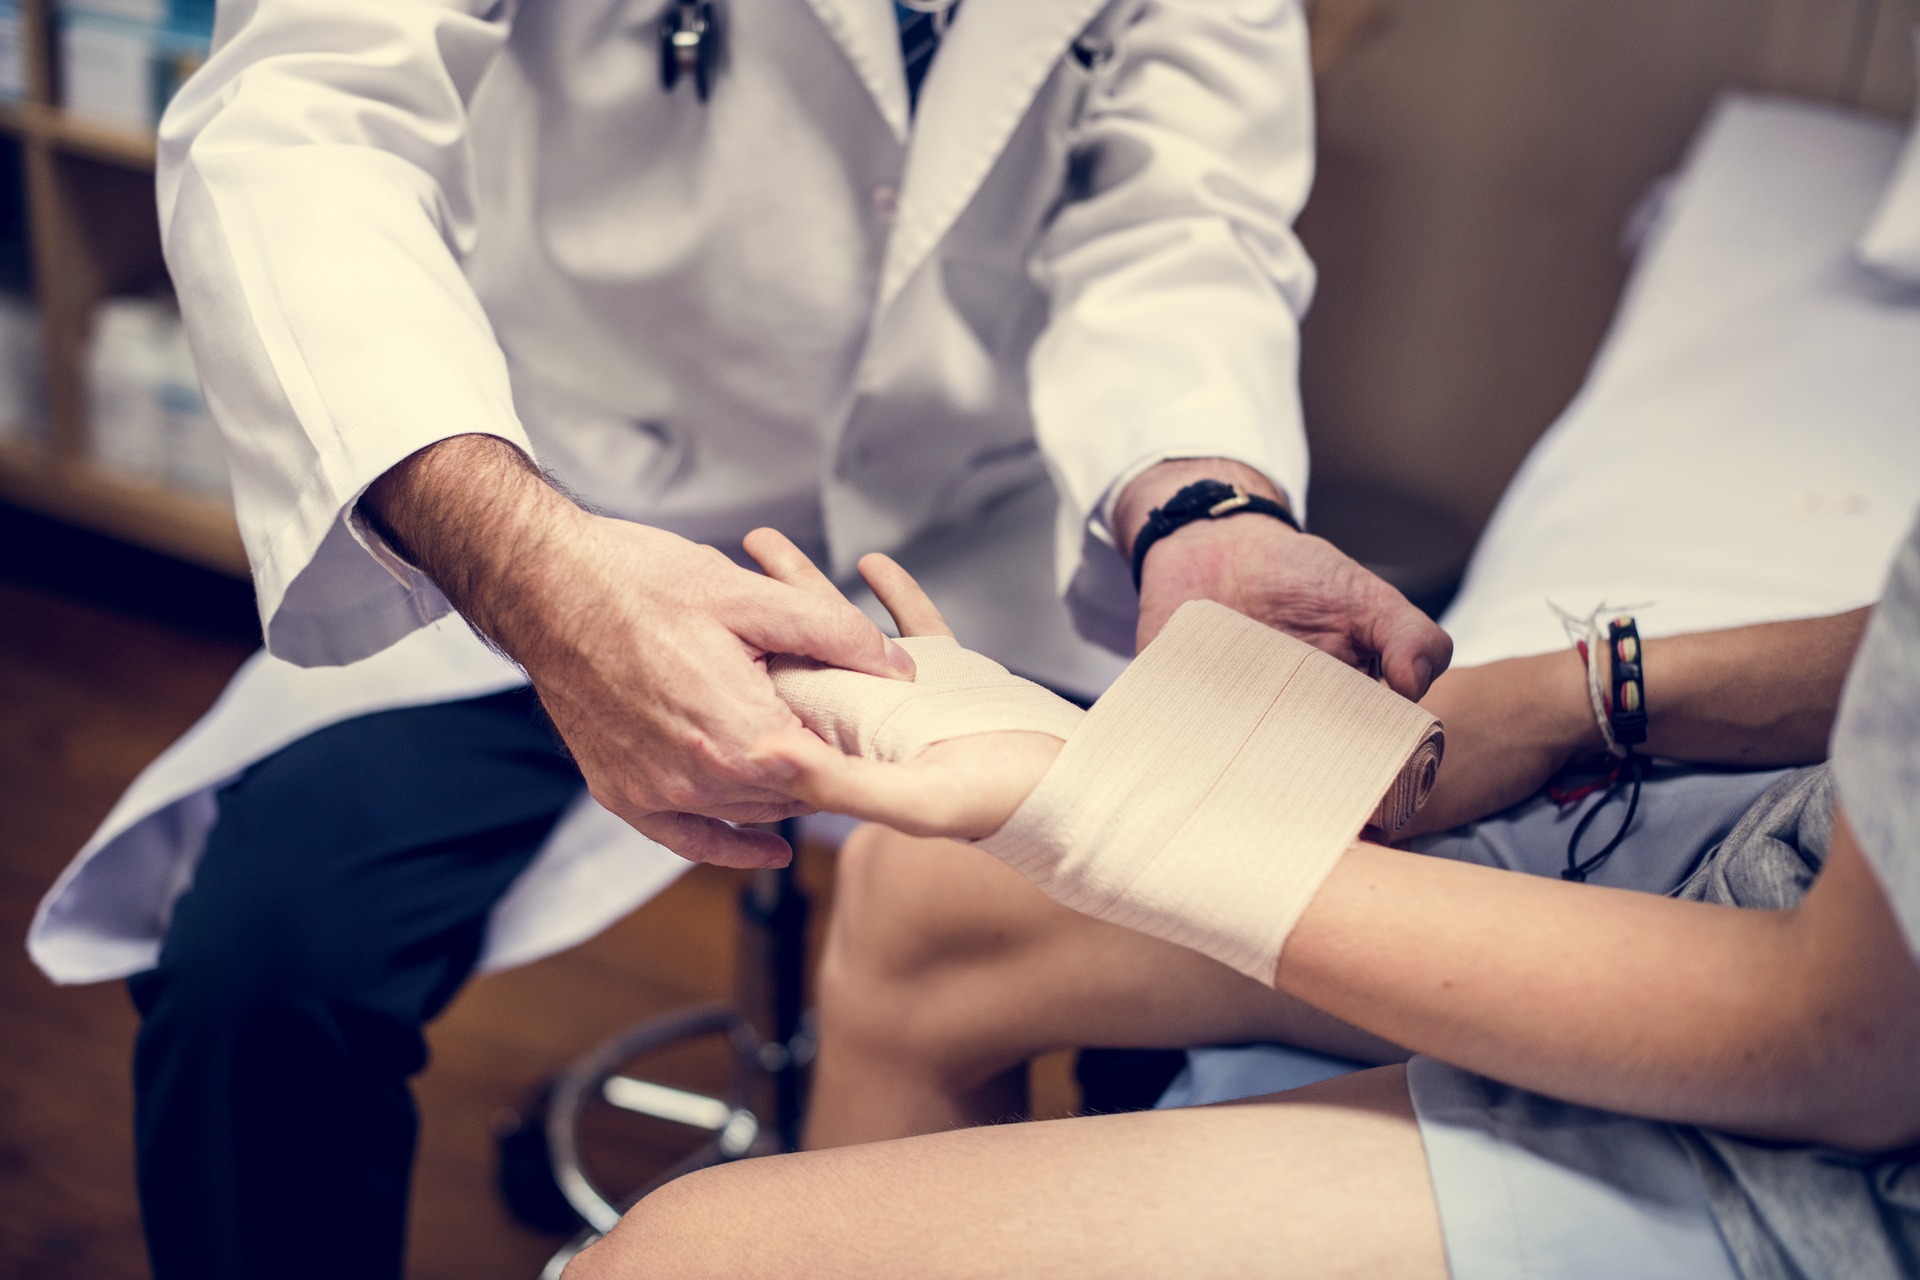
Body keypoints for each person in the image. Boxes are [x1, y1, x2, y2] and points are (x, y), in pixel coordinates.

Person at [28, 2, 1450, 1278]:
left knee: (1198, 983)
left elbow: (1178, 220)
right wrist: (529, 562)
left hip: (983, 546)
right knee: (259, 975)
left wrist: (1198, 499)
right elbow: (299, 118)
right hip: (576, 511)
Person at [565, 524, 1920, 1280]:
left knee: (683, 1262)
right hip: (1801, 860)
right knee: (932, 889)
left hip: (1851, 1142)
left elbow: (1839, 1050)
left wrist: (1110, 815)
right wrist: (1585, 699)